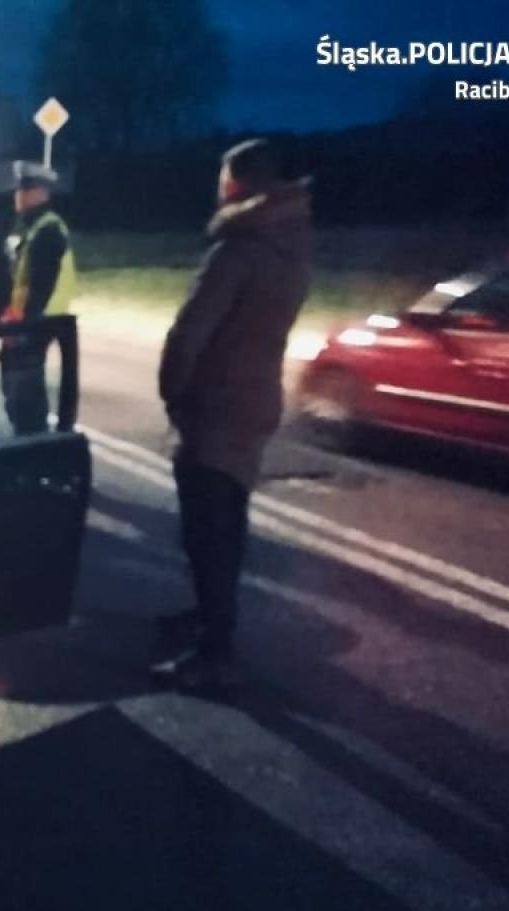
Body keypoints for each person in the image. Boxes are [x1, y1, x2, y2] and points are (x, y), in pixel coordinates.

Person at [151, 138, 312, 690]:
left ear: (240, 184)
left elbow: (191, 330)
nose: (218, 187)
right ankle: (207, 616)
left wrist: (174, 392)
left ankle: (213, 651)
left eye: (224, 178)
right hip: (256, 398)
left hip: (215, 405)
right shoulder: (291, 245)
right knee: (229, 519)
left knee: (205, 532)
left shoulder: (237, 250)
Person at [0, 161, 77, 435]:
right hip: (35, 319)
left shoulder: (47, 229)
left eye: (25, 189)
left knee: (24, 387)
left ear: (41, 194)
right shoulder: (35, 228)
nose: (18, 195)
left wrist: (22, 329)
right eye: (19, 190)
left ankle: (32, 440)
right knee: (20, 385)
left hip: (40, 320)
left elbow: (41, 285)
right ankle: (31, 434)